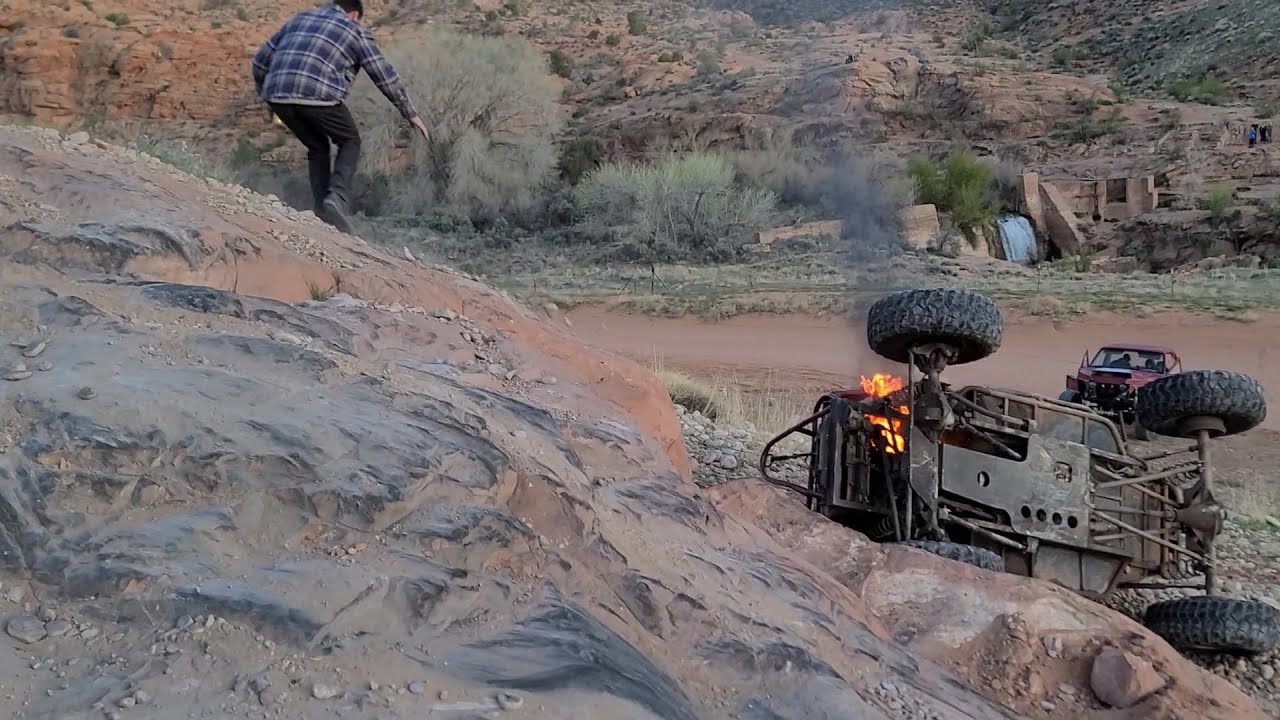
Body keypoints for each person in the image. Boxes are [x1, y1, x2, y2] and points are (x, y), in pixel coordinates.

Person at [251, 0, 429, 233]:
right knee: (350, 140)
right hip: (318, 94)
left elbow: (260, 61)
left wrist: (267, 97)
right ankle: (337, 199)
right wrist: (410, 113)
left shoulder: (299, 18)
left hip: (278, 94)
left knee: (317, 147)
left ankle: (322, 209)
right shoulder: (354, 29)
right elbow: (382, 73)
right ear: (354, 14)